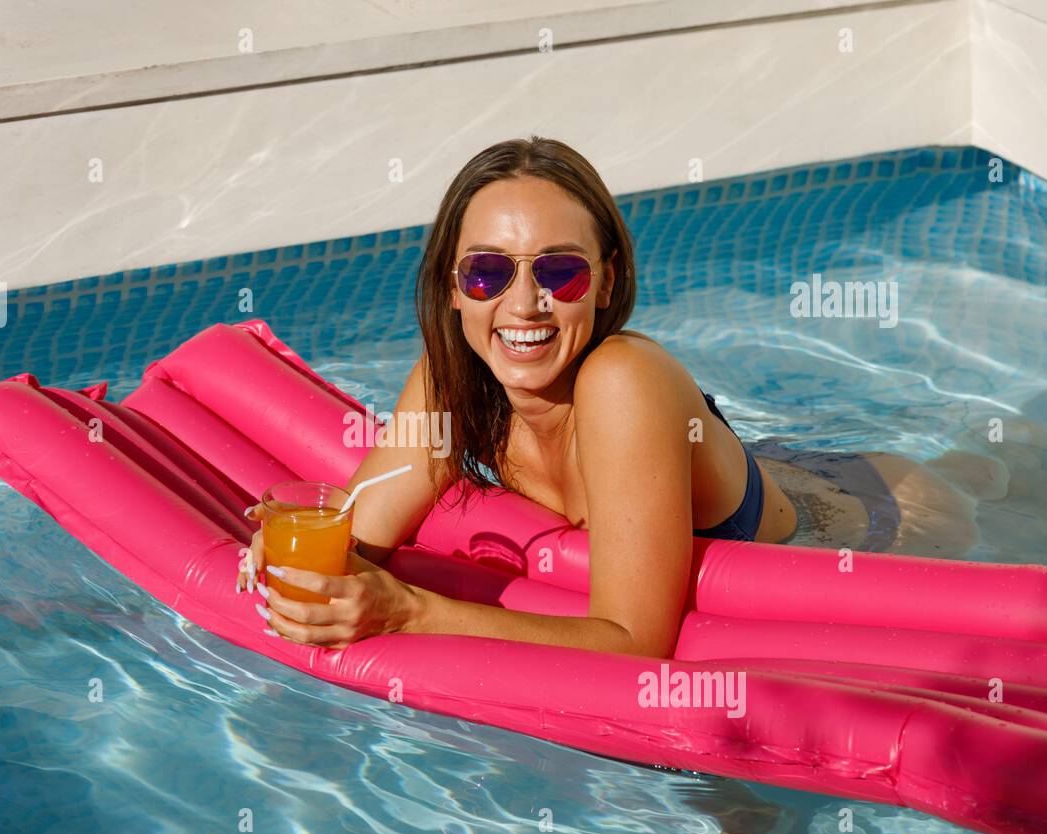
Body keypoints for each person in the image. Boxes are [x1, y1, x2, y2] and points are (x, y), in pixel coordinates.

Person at [236, 136, 997, 656]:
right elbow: (358, 529)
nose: (524, 304)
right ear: (452, 288)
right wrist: (293, 548)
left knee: (1009, 478)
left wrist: (411, 611)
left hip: (877, 520)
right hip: (774, 469)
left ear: (603, 280)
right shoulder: (453, 381)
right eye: (487, 273)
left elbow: (634, 639)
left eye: (559, 271)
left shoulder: (622, 379)